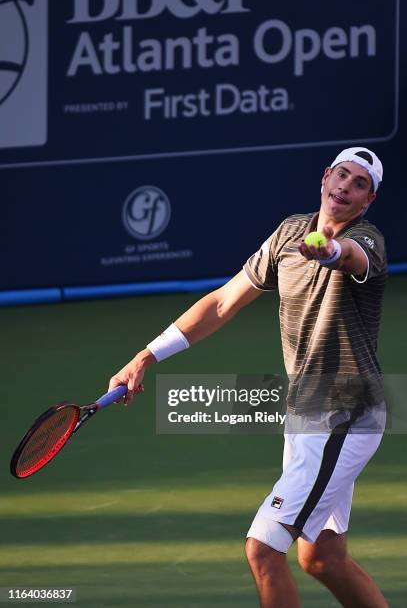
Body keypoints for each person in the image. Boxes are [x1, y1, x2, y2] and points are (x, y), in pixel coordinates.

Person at [109, 147, 388, 607]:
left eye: (360, 184)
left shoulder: (369, 238)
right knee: (322, 558)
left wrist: (332, 248)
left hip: (347, 417)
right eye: (342, 175)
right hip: (305, 417)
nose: (346, 187)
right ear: (325, 177)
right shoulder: (288, 234)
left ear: (368, 200)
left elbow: (353, 258)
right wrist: (147, 355)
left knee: (262, 549)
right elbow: (221, 303)